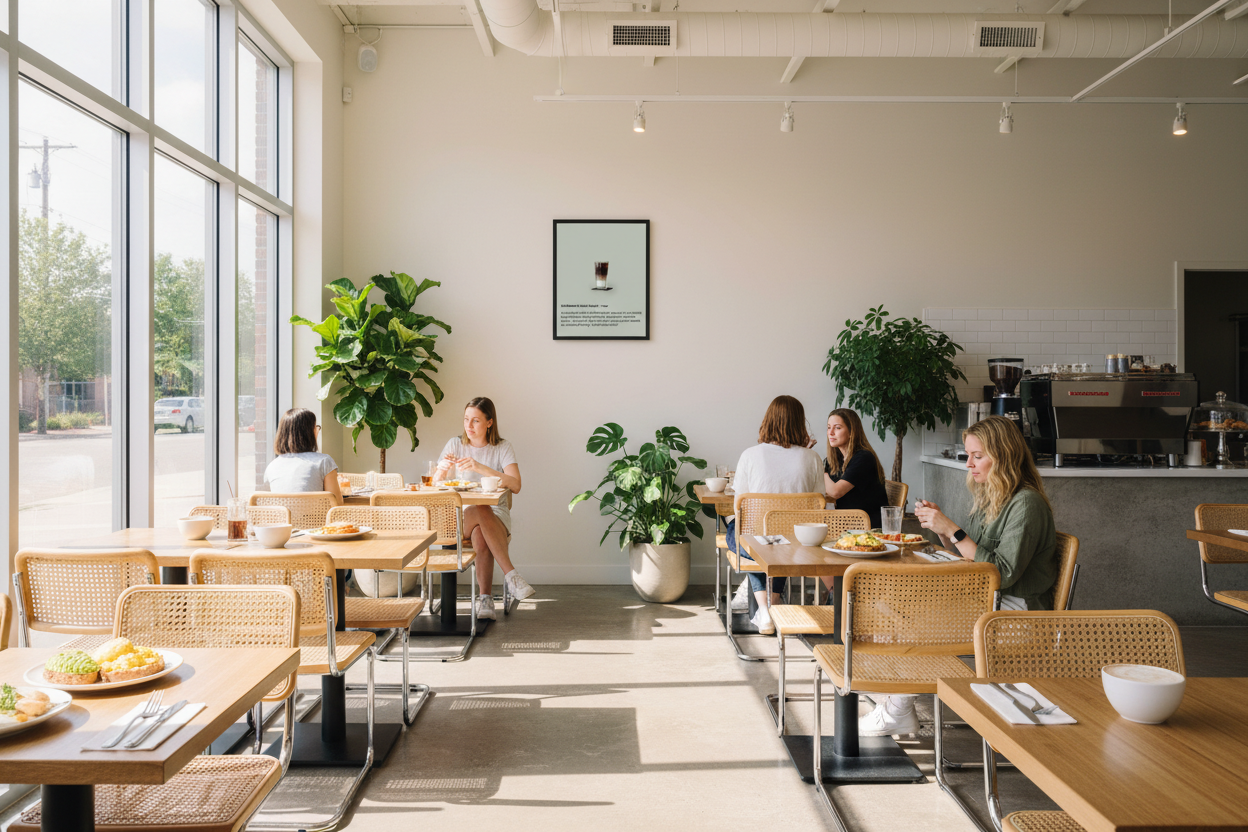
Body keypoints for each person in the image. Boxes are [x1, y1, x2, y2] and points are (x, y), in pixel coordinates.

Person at [861, 415, 1057, 737]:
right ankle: (897, 701)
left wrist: (950, 527)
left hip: (1017, 613)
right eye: (969, 455)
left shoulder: (1026, 504)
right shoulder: (991, 497)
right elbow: (970, 554)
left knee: (920, 618)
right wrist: (943, 529)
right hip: (989, 599)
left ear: (1004, 455)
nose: (969, 464)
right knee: (900, 604)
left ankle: (897, 707)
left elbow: (1001, 573)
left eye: (977, 456)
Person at [725, 395, 822, 635]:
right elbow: (820, 503)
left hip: (760, 539)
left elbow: (739, 505)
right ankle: (773, 604)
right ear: (800, 423)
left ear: (768, 420)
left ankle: (765, 610)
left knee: (750, 536)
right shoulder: (812, 458)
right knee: (775, 543)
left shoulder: (750, 455)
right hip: (797, 542)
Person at [436, 397, 531, 619]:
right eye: (466, 420)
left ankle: (486, 600)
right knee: (479, 507)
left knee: (481, 532)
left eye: (475, 421)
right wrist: (442, 470)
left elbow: (515, 484)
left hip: (495, 515)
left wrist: (481, 468)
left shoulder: (502, 447)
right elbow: (435, 484)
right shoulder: (455, 444)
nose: (468, 426)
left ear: (489, 422)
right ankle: (512, 576)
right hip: (460, 517)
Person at [820, 407, 889, 597]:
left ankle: (841, 598)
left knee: (815, 549)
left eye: (837, 428)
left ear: (852, 431)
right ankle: (840, 596)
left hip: (868, 528)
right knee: (812, 546)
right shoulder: (835, 459)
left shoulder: (863, 457)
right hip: (848, 526)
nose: (830, 433)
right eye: (828, 428)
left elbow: (834, 492)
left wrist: (819, 468)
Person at [263, 407, 344, 505]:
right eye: (316, 428)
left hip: (281, 520)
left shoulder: (272, 466)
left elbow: (268, 504)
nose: (317, 432)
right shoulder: (324, 461)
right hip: (317, 520)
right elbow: (336, 504)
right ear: (309, 432)